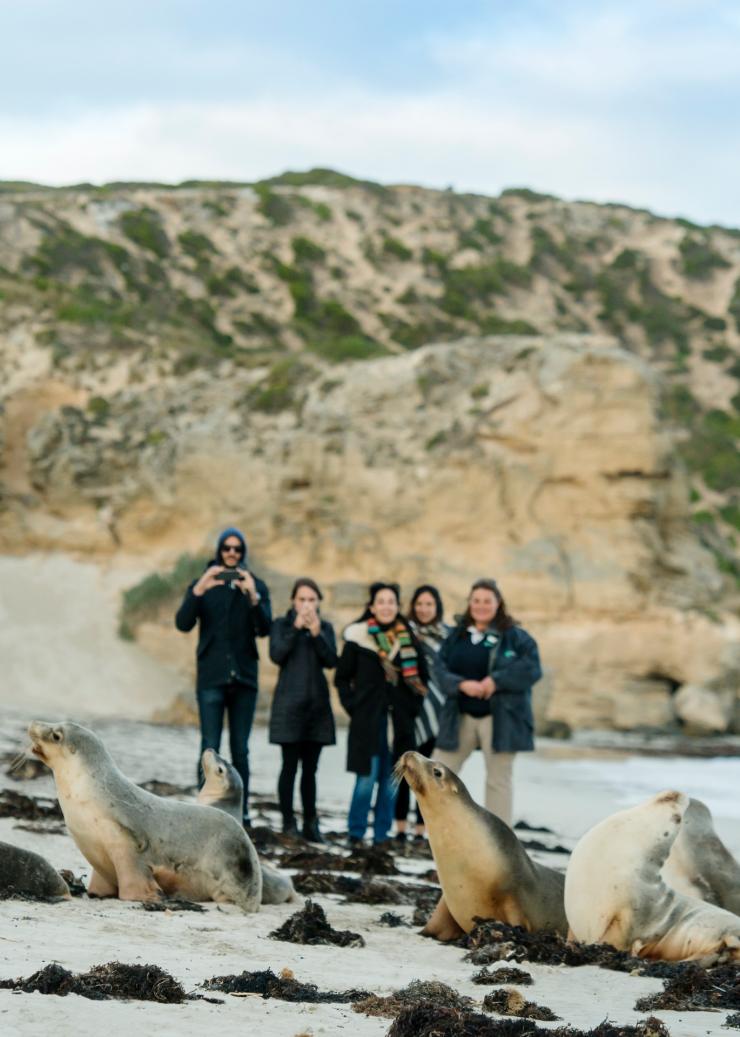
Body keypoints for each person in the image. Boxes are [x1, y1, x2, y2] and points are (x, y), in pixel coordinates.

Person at [175, 526, 271, 827]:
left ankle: (240, 813)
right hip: (211, 678)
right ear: (219, 551)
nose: (232, 553)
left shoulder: (255, 585)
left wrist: (253, 596)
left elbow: (265, 629)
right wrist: (200, 588)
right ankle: (204, 809)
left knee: (241, 748)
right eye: (227, 548)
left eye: (237, 549)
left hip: (244, 679)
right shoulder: (202, 585)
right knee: (209, 746)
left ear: (243, 554)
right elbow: (183, 623)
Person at [434, 578, 541, 827]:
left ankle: (499, 838)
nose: (481, 606)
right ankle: (440, 830)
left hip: (501, 719)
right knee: (437, 774)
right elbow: (438, 669)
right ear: (469, 603)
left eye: (487, 601)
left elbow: (532, 669)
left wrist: (496, 681)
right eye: (476, 601)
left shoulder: (516, 638)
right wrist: (461, 684)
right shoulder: (456, 636)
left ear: (498, 603)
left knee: (498, 781)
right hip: (460, 716)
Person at [335, 581, 428, 847]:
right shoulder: (357, 637)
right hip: (367, 721)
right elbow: (342, 678)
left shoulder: (408, 639)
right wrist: (354, 706)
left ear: (398, 606)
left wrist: (410, 711)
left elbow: (423, 680)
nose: (386, 606)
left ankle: (381, 836)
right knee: (365, 780)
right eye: (381, 601)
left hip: (399, 724)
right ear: (372, 606)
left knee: (390, 784)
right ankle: (355, 833)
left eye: (391, 602)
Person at [269, 577, 338, 843]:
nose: (307, 605)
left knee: (311, 770)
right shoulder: (281, 625)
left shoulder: (325, 628)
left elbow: (332, 660)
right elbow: (276, 655)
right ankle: (288, 821)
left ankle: (311, 823)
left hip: (317, 709)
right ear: (293, 602)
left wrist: (317, 633)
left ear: (318, 602)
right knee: (289, 767)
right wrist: (296, 628)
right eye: (302, 600)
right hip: (289, 706)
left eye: (311, 600)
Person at [393, 584, 450, 845]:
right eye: (419, 604)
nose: (424, 609)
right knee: (405, 771)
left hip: (438, 711)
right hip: (407, 710)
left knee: (429, 776)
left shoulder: (447, 637)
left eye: (429, 604)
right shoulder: (403, 633)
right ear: (413, 607)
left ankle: (421, 830)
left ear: (437, 607)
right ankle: (401, 828)